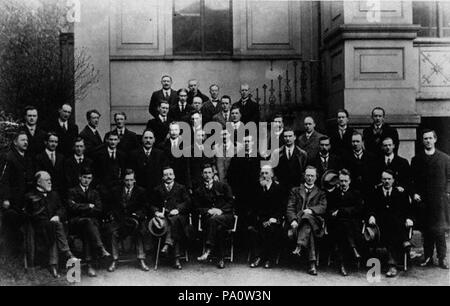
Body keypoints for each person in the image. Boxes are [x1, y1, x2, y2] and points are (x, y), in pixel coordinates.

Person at [24, 171, 78, 278]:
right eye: (47, 180)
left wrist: (57, 215)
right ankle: (67, 252)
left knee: (55, 226)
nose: (50, 182)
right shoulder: (30, 196)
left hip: (53, 227)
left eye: (50, 180)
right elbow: (33, 215)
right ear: (38, 182)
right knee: (55, 226)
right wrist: (50, 220)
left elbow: (62, 209)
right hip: (38, 228)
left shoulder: (54, 194)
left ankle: (54, 266)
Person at [411, 129, 450, 269]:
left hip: (439, 201)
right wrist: (414, 193)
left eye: (430, 138)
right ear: (422, 141)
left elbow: (449, 178)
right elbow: (412, 180)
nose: (427, 141)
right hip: (424, 201)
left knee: (439, 230)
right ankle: (427, 256)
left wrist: (447, 193)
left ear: (435, 139)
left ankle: (442, 258)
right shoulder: (416, 160)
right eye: (425, 138)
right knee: (426, 230)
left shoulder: (445, 158)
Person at [368, 170, 414, 277]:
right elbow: (370, 208)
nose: (386, 181)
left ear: (393, 180)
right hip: (380, 227)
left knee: (393, 223)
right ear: (381, 180)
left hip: (395, 228)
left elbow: (408, 210)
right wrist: (371, 216)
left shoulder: (400, 193)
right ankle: (405, 241)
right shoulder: (375, 193)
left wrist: (409, 218)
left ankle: (392, 265)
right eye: (384, 179)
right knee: (390, 223)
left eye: (389, 179)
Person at [66, 167, 110, 277]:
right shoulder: (72, 191)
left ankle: (90, 265)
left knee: (87, 229)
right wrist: (89, 206)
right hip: (75, 223)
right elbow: (71, 207)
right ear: (79, 177)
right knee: (88, 223)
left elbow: (99, 209)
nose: (86, 180)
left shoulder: (94, 192)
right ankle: (101, 248)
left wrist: (80, 207)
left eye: (89, 178)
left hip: (90, 224)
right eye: (84, 177)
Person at [104, 169, 150, 272]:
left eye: (131, 180)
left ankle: (141, 259)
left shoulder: (141, 191)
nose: (129, 183)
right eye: (126, 180)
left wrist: (137, 214)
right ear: (123, 180)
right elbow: (109, 207)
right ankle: (114, 260)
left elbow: (145, 208)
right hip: (120, 221)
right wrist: (112, 215)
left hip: (134, 221)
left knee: (139, 231)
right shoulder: (115, 191)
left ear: (135, 180)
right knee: (113, 233)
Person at [286, 166, 327, 276]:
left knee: (307, 218)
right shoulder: (295, 190)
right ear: (304, 176)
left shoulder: (320, 193)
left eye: (312, 176)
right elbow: (290, 207)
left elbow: (323, 207)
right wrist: (293, 220)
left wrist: (311, 210)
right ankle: (312, 264)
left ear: (316, 177)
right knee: (307, 224)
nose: (309, 178)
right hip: (297, 224)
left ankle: (299, 245)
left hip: (315, 224)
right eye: (308, 175)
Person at [150, 167, 191, 270]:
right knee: (173, 223)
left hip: (179, 217)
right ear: (163, 177)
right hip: (163, 218)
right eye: (166, 175)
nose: (168, 177)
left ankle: (167, 244)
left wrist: (178, 209)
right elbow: (152, 204)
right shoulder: (157, 189)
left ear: (174, 176)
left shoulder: (181, 188)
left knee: (174, 220)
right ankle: (176, 259)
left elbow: (188, 202)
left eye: (170, 174)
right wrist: (156, 212)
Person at [0, 131, 34, 254]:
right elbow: (4, 180)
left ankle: (23, 247)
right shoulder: (9, 157)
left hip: (25, 197)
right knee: (11, 221)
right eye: (22, 140)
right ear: (15, 142)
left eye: (27, 140)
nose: (25, 142)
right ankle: (9, 248)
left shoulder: (28, 157)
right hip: (13, 198)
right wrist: (6, 198)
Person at [195, 164, 235, 269]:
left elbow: (231, 202)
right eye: (205, 173)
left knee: (216, 221)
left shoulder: (223, 186)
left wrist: (220, 210)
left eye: (209, 172)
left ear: (213, 174)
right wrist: (208, 210)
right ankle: (221, 259)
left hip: (225, 217)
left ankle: (208, 249)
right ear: (202, 175)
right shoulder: (199, 190)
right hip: (209, 219)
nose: (207, 175)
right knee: (218, 227)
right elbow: (196, 207)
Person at [326, 169, 363, 276]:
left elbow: (358, 209)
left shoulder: (355, 193)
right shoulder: (333, 194)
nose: (343, 183)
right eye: (341, 181)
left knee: (343, 229)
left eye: (346, 181)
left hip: (352, 226)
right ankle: (353, 248)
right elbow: (329, 210)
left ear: (350, 181)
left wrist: (341, 211)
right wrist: (336, 212)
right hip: (335, 225)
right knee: (341, 226)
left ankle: (342, 265)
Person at [248, 165, 285, 269]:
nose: (264, 175)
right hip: (260, 219)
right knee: (253, 230)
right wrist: (262, 189)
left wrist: (274, 219)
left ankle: (267, 258)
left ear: (272, 175)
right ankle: (258, 257)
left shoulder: (278, 188)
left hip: (273, 219)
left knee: (270, 229)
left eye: (266, 173)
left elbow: (281, 207)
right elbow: (254, 207)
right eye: (262, 173)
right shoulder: (257, 187)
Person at [128, 129, 167, 194]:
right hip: (139, 192)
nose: (148, 140)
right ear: (142, 139)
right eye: (146, 138)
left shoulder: (160, 154)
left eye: (150, 138)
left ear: (154, 140)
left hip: (155, 191)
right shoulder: (134, 154)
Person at [92, 133, 127, 201]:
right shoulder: (99, 155)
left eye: (115, 139)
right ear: (107, 140)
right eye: (111, 139)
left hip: (118, 190)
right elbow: (95, 172)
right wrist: (99, 186)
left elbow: (123, 172)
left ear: (118, 140)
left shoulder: (122, 155)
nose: (113, 142)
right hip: (103, 189)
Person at [342, 132, 377, 196]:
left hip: (368, 191)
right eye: (353, 141)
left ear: (362, 142)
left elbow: (374, 174)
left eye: (357, 141)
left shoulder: (371, 157)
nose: (355, 144)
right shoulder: (345, 157)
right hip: (352, 191)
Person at [160, 122, 190, 187]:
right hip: (167, 179)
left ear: (179, 131)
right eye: (172, 130)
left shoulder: (185, 146)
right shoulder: (162, 146)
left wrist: (188, 185)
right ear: (169, 131)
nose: (174, 132)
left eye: (176, 130)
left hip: (181, 179)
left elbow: (187, 167)